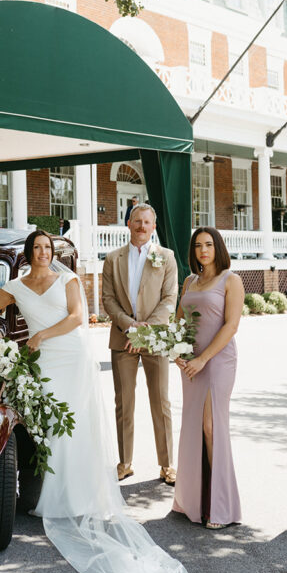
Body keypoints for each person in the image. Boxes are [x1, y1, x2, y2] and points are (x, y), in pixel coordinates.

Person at [0, 230, 189, 573]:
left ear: (52, 252)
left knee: (73, 426)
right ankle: (54, 496)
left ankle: (76, 498)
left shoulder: (69, 278)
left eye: (47, 248)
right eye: (37, 248)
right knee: (51, 428)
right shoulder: (16, 285)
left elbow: (78, 317)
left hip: (70, 354)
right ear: (29, 253)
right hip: (43, 363)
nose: (43, 253)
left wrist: (42, 335)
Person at [101, 203, 179, 484]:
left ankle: (168, 464)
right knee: (124, 402)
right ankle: (125, 462)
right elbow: (107, 299)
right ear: (129, 223)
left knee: (161, 402)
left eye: (147, 222)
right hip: (122, 338)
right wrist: (130, 327)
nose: (142, 227)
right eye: (137, 221)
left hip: (155, 339)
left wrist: (144, 331)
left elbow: (170, 299)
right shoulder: (112, 258)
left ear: (154, 227)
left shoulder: (166, 258)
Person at [172, 227, 244, 529]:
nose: (203, 250)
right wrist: (177, 352)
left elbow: (231, 326)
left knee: (212, 427)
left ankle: (222, 507)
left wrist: (204, 359)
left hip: (218, 361)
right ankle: (193, 501)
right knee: (193, 426)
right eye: (198, 245)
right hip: (190, 363)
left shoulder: (231, 279)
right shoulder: (189, 281)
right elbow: (178, 320)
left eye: (209, 244)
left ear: (218, 248)